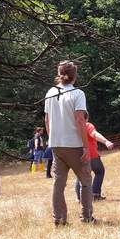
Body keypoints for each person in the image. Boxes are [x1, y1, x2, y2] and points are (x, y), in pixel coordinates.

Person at [45, 60, 94, 225]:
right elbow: (80, 120)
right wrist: (86, 146)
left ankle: (59, 219)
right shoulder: (78, 94)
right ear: (75, 76)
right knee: (86, 181)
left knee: (58, 183)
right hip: (74, 144)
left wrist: (52, 139)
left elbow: (47, 120)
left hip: (56, 144)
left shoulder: (50, 92)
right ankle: (86, 217)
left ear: (59, 74)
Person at [75, 112, 115, 202]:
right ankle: (95, 194)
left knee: (80, 176)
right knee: (100, 171)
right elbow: (94, 134)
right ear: (87, 118)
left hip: (78, 156)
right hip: (91, 155)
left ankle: (79, 197)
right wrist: (106, 141)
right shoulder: (87, 125)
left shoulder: (73, 127)